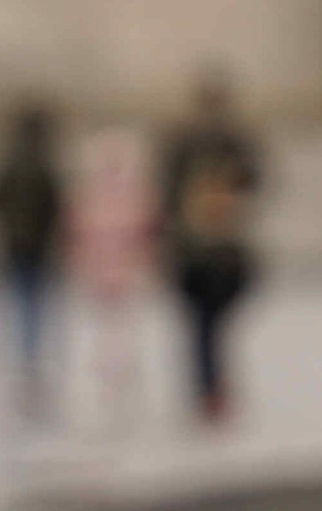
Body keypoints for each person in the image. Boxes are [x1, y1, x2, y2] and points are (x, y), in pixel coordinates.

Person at [160, 71, 264, 425]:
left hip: (205, 249)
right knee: (210, 326)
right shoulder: (230, 140)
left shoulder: (189, 140)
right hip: (211, 249)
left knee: (203, 327)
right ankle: (212, 388)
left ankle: (209, 387)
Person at [68, 125, 158, 428]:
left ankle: (116, 379)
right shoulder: (121, 195)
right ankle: (116, 379)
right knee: (115, 330)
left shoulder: (101, 195)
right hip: (113, 271)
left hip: (112, 271)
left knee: (114, 330)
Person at [0, 102, 65, 418]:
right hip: (35, 245)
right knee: (32, 304)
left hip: (16, 244)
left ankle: (22, 360)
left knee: (19, 302)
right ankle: (28, 360)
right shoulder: (42, 166)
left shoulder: (10, 163)